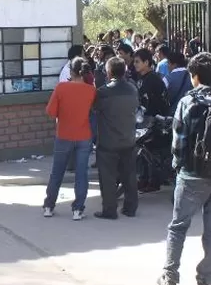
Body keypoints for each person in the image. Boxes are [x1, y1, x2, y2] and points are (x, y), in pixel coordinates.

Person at [158, 52, 211, 285]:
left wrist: (178, 167)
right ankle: (206, 280)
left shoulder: (188, 102)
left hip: (192, 173)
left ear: (196, 76)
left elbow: (178, 142)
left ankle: (170, 278)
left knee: (178, 225)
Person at [42, 57, 96, 221]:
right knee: (81, 173)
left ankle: (49, 206)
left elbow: (50, 112)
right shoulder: (91, 90)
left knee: (57, 172)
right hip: (84, 135)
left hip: (64, 134)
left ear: (70, 71)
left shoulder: (61, 88)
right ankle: (78, 209)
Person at [93, 57, 139, 220]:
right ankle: (130, 208)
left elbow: (95, 108)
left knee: (107, 177)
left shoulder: (103, 92)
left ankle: (109, 210)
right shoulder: (133, 89)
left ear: (109, 72)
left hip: (108, 141)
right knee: (129, 176)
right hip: (128, 138)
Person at [133, 48, 170, 117]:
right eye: (134, 62)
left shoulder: (154, 79)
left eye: (137, 62)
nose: (134, 64)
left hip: (153, 120)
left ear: (146, 62)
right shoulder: (141, 77)